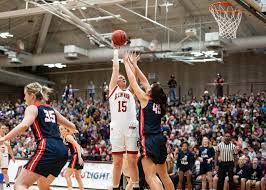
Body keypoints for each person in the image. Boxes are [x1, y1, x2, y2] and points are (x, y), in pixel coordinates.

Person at [0, 82, 76, 190]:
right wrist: (66, 134)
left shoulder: (32, 108)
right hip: (62, 150)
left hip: (47, 147)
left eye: (25, 95)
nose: (24, 98)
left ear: (32, 96)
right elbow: (72, 126)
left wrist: (4, 138)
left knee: (20, 184)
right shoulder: (52, 110)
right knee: (43, 186)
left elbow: (24, 125)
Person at [123, 51, 174, 190]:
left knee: (150, 176)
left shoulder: (145, 99)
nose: (148, 86)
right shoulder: (157, 102)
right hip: (159, 140)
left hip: (149, 140)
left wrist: (127, 63)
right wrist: (135, 64)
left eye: (150, 88)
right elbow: (144, 80)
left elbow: (133, 82)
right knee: (164, 176)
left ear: (150, 93)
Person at [109, 49, 139, 190]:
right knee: (117, 162)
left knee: (133, 160)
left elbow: (133, 78)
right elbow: (115, 69)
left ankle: (136, 185)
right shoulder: (112, 90)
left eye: (123, 78)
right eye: (120, 77)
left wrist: (132, 63)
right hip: (116, 128)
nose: (122, 78)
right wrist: (116, 52)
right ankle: (115, 187)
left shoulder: (130, 91)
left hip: (131, 127)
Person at [59, 126, 84, 190]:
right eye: (60, 129)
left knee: (66, 174)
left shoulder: (68, 137)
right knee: (78, 177)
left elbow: (77, 146)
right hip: (78, 155)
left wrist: (79, 157)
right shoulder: (67, 136)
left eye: (62, 129)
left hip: (76, 156)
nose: (60, 131)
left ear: (66, 129)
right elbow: (75, 131)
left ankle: (70, 188)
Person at [0, 124, 15, 188]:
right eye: (2, 128)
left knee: (4, 171)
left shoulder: (7, 138)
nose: (4, 130)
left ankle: (7, 185)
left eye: (5, 128)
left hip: (4, 156)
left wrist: (12, 156)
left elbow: (9, 148)